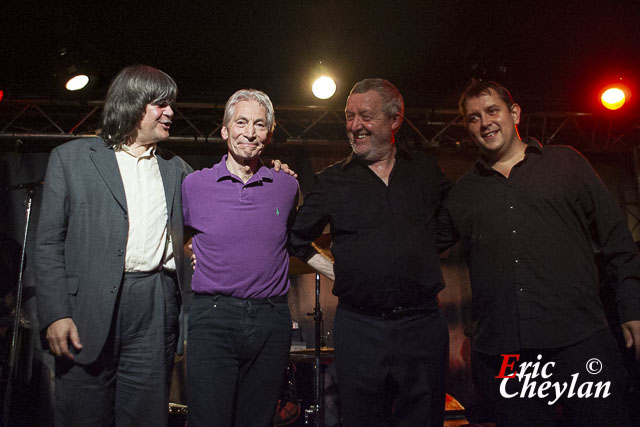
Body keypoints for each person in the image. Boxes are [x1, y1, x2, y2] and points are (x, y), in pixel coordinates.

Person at [438, 80, 640, 426]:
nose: (484, 122)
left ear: (514, 113)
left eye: (492, 111)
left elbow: (617, 240)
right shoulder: (463, 194)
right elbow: (418, 246)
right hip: (506, 355)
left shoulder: (566, 164)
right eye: (473, 118)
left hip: (580, 341)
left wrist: (632, 308)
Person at [35, 65, 193, 426]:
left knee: (145, 416)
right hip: (85, 308)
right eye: (161, 104)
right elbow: (47, 243)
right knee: (82, 415)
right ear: (134, 104)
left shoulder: (177, 169)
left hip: (154, 305)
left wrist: (270, 169)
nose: (171, 113)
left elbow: (222, 193)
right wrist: (56, 312)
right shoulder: (71, 159)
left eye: (172, 105)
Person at [289, 78, 452, 426]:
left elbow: (454, 217)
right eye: (349, 117)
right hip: (360, 327)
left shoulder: (423, 169)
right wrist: (335, 270)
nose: (355, 126)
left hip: (422, 324)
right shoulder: (333, 180)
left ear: (395, 119)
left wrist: (419, 253)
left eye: (366, 116)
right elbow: (296, 237)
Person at [182, 89, 299, 427]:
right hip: (214, 317)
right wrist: (190, 251)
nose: (250, 132)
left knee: (258, 420)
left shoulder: (286, 185)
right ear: (224, 130)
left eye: (260, 125)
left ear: (270, 133)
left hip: (271, 318)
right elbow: (177, 238)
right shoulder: (194, 185)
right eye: (242, 122)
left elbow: (294, 237)